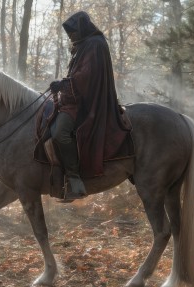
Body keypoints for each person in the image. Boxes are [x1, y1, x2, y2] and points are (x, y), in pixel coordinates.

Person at [49, 11, 128, 200]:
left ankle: (75, 180)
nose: (71, 37)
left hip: (87, 103)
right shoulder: (84, 45)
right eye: (69, 34)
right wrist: (63, 85)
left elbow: (87, 76)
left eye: (73, 32)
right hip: (75, 99)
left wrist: (64, 84)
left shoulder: (94, 44)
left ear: (82, 28)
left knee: (60, 133)